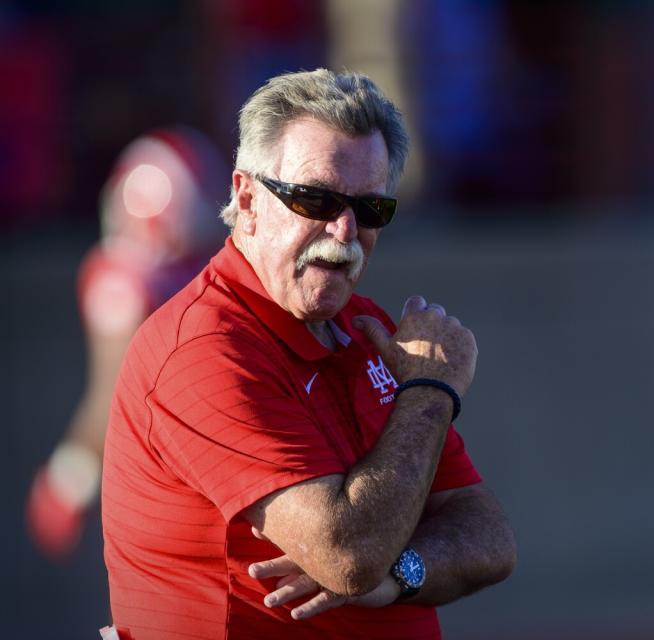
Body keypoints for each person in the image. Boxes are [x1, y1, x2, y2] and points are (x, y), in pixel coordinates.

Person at [101, 68, 517, 639]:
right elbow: (348, 554)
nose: (344, 231)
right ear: (246, 198)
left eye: (370, 209)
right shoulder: (205, 349)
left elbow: (490, 537)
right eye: (315, 199)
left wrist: (398, 573)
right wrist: (429, 393)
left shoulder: (364, 327)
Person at [26, 127, 226, 559]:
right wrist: (71, 475)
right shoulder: (132, 280)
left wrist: (65, 479)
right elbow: (116, 392)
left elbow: (111, 394)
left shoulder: (145, 273)